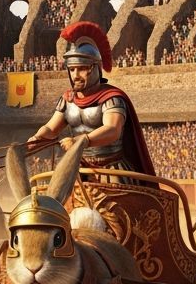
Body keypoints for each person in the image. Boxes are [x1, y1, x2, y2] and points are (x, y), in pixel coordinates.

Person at [28, 21, 156, 178]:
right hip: (77, 167)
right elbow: (51, 129)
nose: (75, 75)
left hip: (111, 169)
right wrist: (37, 138)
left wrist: (80, 141)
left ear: (96, 68)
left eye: (82, 69)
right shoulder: (68, 99)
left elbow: (112, 129)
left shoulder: (111, 98)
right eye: (72, 69)